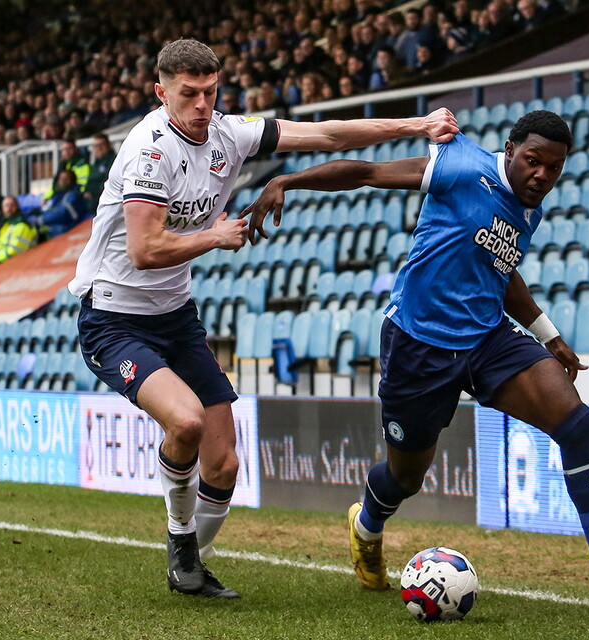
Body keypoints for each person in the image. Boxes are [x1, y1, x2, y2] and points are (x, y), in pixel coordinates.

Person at [67, 37, 457, 600]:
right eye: (188, 94)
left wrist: (415, 125)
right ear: (161, 93)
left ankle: (189, 568)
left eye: (210, 91)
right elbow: (145, 250)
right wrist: (215, 237)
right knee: (187, 423)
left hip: (176, 317)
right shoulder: (147, 150)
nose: (202, 105)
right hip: (114, 319)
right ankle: (181, 547)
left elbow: (324, 134)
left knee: (223, 464)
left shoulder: (230, 133)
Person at [240, 111, 589, 601]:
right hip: (418, 344)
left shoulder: (531, 211)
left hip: (488, 338)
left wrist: (548, 336)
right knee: (406, 477)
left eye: (555, 168)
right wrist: (286, 180)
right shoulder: (460, 165)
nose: (542, 176)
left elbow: (500, 270)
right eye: (533, 161)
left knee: (575, 420)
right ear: (509, 150)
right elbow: (365, 172)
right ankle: (367, 525)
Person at [32, 169, 89, 238]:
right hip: (56, 235)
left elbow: (62, 213)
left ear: (72, 181)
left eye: (66, 179)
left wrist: (40, 220)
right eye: (61, 179)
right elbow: (51, 210)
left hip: (67, 234)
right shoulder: (58, 195)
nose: (63, 181)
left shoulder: (72, 195)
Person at [0, 196, 37, 265]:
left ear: (17, 207)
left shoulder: (21, 225)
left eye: (12, 205)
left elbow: (14, 251)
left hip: (18, 264)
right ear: (2, 208)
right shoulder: (7, 224)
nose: (9, 209)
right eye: (6, 205)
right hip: (4, 262)